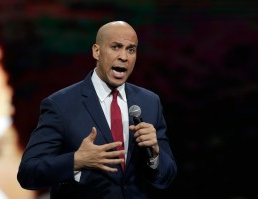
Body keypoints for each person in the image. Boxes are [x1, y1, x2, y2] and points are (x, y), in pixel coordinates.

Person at [17, 20, 177, 199]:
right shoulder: (60, 104)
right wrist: (76, 161)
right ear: (96, 51)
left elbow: (166, 176)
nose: (124, 56)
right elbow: (28, 173)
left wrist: (155, 154)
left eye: (131, 49)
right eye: (116, 47)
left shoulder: (149, 102)